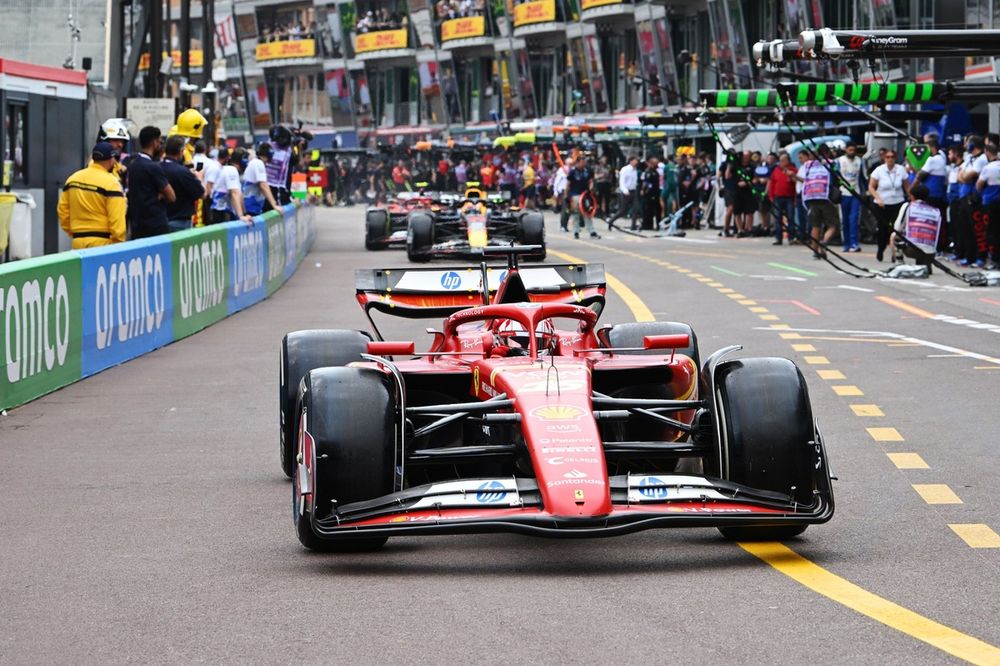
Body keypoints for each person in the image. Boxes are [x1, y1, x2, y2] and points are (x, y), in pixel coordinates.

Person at [58, 142, 127, 249]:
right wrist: (118, 243)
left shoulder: (72, 179)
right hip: (103, 243)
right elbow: (117, 220)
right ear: (112, 159)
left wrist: (73, 232)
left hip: (78, 241)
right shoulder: (111, 183)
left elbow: (63, 211)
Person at [127, 126, 175, 239]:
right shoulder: (153, 167)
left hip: (137, 224)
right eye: (159, 141)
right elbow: (172, 196)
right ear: (154, 142)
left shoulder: (133, 165)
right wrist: (161, 195)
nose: (160, 144)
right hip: (155, 225)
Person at [868, 149, 910, 261]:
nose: (890, 159)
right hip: (883, 204)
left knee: (896, 229)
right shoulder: (879, 170)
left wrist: (911, 198)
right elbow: (871, 187)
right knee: (883, 228)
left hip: (897, 202)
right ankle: (881, 248)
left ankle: (894, 252)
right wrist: (878, 198)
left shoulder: (900, 170)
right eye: (888, 157)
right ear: (884, 158)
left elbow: (907, 187)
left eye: (892, 157)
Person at [801, 145, 840, 259]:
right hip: (825, 197)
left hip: (811, 197)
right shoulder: (832, 163)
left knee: (815, 226)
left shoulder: (809, 164)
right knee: (833, 225)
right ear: (827, 153)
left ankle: (815, 252)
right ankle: (824, 241)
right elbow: (837, 176)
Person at [891, 183, 941, 273]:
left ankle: (899, 262)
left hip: (912, 249)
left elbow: (897, 227)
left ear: (912, 196)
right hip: (930, 251)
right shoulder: (935, 211)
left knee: (895, 235)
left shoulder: (908, 206)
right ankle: (925, 263)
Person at [161, 135, 206, 231]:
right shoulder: (183, 172)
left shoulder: (156, 168)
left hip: (160, 221)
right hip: (180, 223)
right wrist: (199, 178)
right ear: (181, 152)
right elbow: (202, 194)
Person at [917, 136, 949, 252]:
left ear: (932, 148)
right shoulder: (942, 158)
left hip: (930, 195)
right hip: (939, 194)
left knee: (929, 222)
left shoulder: (932, 160)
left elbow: (921, 174)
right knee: (941, 221)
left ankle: (932, 245)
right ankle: (940, 246)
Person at [208, 148, 252, 224]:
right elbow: (234, 193)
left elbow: (239, 194)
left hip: (224, 212)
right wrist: (241, 216)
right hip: (220, 212)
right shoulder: (231, 170)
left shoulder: (231, 170)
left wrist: (245, 214)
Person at [836, 142, 865, 252]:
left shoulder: (859, 161)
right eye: (850, 150)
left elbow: (863, 177)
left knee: (853, 219)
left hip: (855, 194)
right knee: (844, 220)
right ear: (846, 150)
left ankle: (854, 243)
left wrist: (865, 191)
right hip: (843, 194)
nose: (851, 152)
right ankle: (846, 244)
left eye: (853, 150)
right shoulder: (839, 161)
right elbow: (835, 176)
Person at [975, 143, 1000, 269]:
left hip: (990, 203)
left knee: (991, 231)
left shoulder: (988, 168)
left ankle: (994, 260)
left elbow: (979, 185)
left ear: (987, 153)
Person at [767, 152, 797, 245]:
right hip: (777, 197)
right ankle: (778, 238)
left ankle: (791, 237)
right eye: (780, 161)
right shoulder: (776, 170)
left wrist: (791, 176)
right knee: (777, 218)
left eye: (783, 160)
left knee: (790, 218)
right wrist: (770, 195)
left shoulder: (793, 170)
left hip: (789, 197)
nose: (781, 162)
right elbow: (771, 183)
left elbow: (796, 183)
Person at [242, 143, 280, 216]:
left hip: (254, 206)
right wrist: (274, 205)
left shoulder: (256, 162)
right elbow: (263, 185)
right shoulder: (258, 163)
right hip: (251, 207)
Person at [567, 155, 599, 239]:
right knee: (576, 214)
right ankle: (576, 231)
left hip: (585, 195)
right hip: (575, 195)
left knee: (587, 212)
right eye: (582, 162)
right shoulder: (572, 172)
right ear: (578, 162)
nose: (584, 163)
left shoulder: (587, 171)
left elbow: (590, 181)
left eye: (585, 162)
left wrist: (591, 187)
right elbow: (568, 184)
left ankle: (591, 231)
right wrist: (566, 196)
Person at [606, 154, 639, 230]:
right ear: (631, 161)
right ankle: (611, 221)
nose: (636, 162)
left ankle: (633, 226)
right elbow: (622, 182)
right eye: (635, 161)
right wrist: (625, 191)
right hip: (626, 191)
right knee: (623, 210)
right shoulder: (625, 169)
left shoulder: (635, 170)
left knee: (635, 209)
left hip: (633, 191)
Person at [639, 156, 661, 231]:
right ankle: (647, 225)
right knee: (649, 210)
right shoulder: (648, 171)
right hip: (650, 194)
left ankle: (658, 225)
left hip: (656, 193)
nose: (657, 164)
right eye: (655, 163)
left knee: (657, 210)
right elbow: (646, 183)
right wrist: (645, 191)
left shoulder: (655, 171)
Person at [552, 157, 572, 232]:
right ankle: (562, 225)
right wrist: (555, 192)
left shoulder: (572, 170)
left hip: (571, 192)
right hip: (563, 192)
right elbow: (557, 181)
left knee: (569, 210)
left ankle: (566, 225)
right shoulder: (562, 170)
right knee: (565, 208)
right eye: (570, 163)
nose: (571, 165)